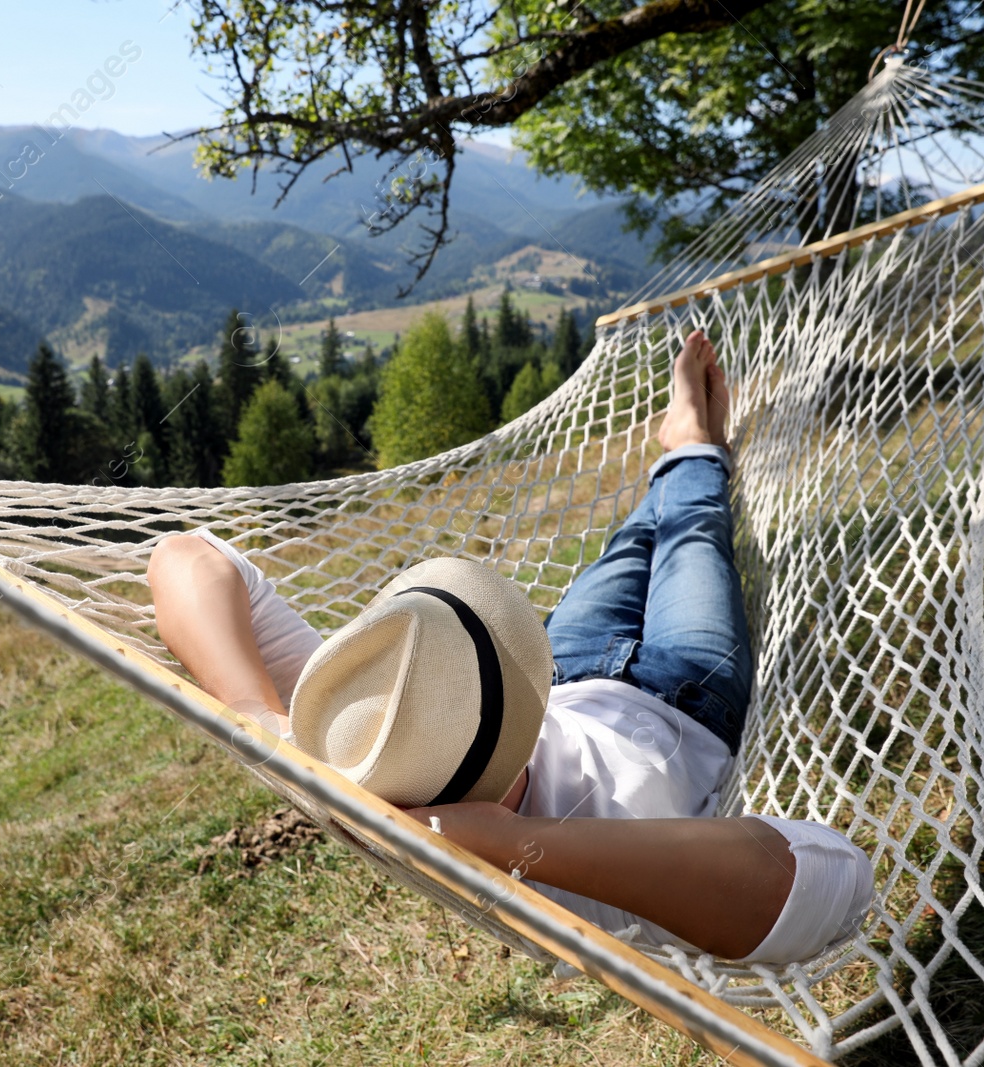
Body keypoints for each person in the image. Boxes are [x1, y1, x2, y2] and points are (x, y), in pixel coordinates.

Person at [148, 330, 873, 964]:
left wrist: (257, 719)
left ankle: (680, 449)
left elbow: (188, 557)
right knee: (694, 530)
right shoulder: (566, 887)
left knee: (632, 539)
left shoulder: (356, 745)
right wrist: (493, 838)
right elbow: (833, 876)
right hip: (688, 690)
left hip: (563, 669)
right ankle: (692, 444)